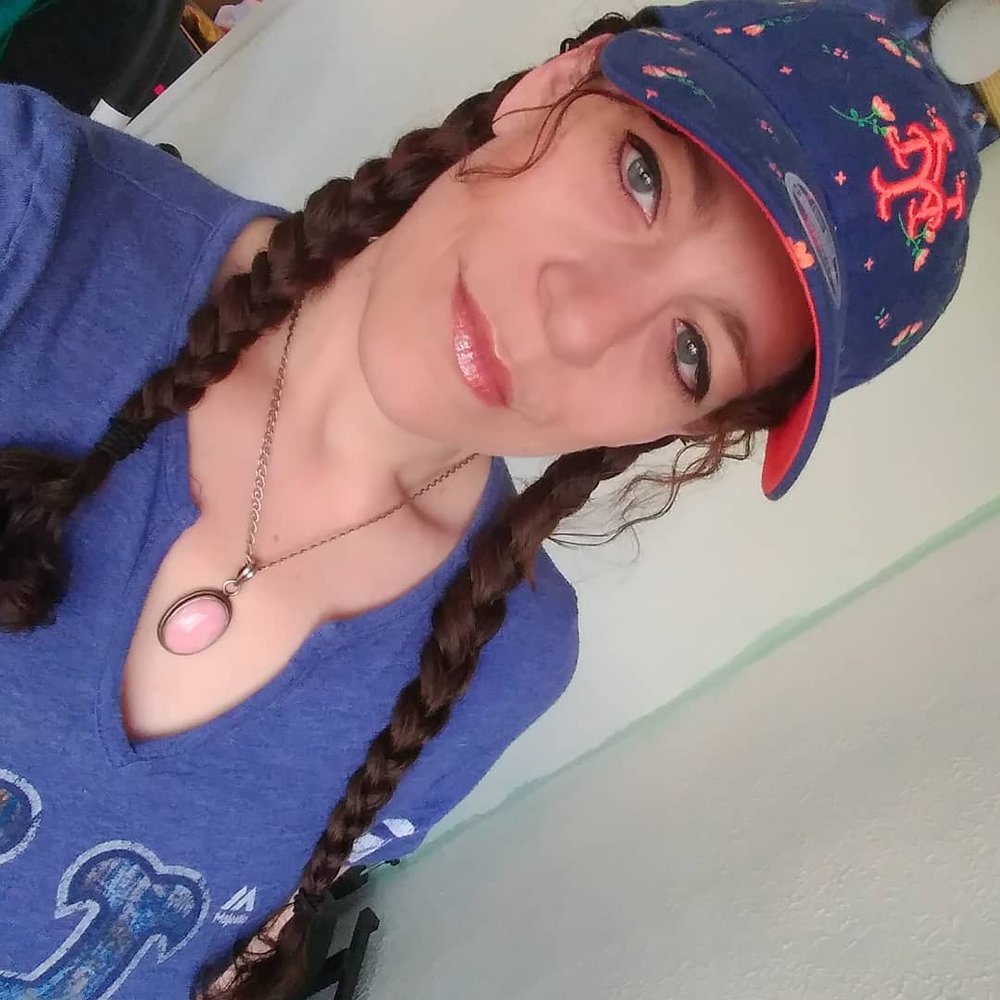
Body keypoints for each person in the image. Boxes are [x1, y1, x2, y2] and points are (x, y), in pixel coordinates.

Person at [0, 0, 983, 996]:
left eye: (690, 350)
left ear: (693, 425)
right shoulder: (28, 208)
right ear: (553, 88)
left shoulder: (503, 665)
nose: (576, 319)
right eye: (641, 177)